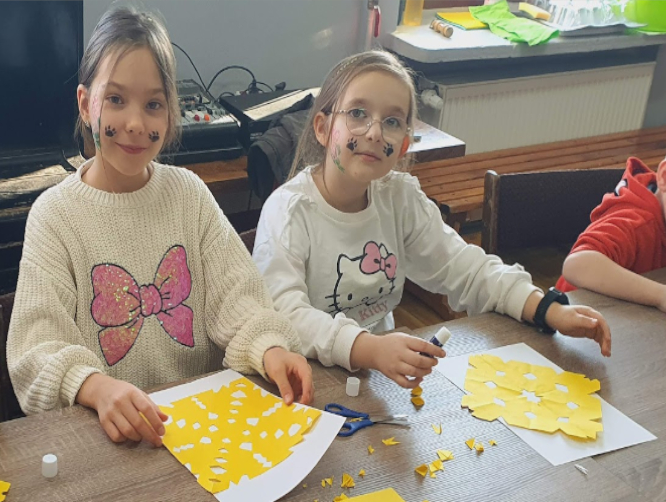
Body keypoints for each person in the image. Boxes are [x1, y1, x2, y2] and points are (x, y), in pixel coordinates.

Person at [7, 6, 312, 447]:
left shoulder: (189, 194)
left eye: (153, 105)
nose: (135, 123)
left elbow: (239, 299)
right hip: (105, 442)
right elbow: (36, 351)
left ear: (171, 114)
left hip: (202, 431)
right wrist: (95, 386)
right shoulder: (54, 216)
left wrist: (270, 347)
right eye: (116, 100)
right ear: (85, 104)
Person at [253, 51, 611, 389]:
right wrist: (368, 348)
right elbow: (284, 315)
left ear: (404, 145)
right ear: (322, 128)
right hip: (306, 382)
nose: (374, 133)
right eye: (358, 113)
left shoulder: (399, 197)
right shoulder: (289, 211)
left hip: (379, 380)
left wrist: (545, 308)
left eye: (392, 121)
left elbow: (465, 268)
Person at [558, 112, 666, 325]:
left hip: (638, 327)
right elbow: (577, 265)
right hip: (572, 327)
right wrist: (663, 295)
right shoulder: (635, 222)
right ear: (665, 177)